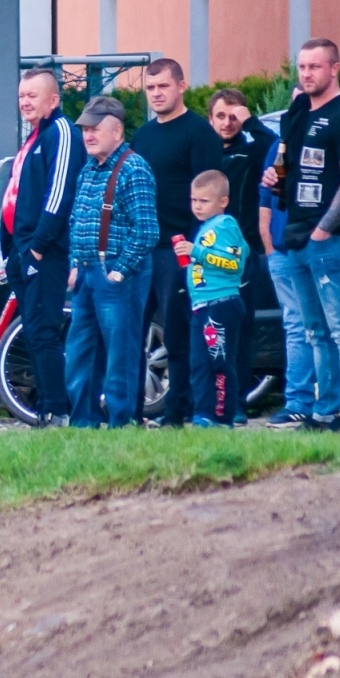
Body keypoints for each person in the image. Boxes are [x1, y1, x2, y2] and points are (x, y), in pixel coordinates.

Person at [261, 39, 340, 433]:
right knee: (314, 331)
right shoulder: (297, 113)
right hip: (294, 236)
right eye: (302, 67)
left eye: (315, 66)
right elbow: (285, 162)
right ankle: (323, 412)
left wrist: (323, 230)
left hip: (332, 239)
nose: (306, 74)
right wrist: (274, 176)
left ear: (334, 68)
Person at [131, 58, 223, 427]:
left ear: (181, 86)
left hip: (179, 249)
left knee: (177, 334)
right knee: (134, 333)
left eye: (163, 86)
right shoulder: (142, 136)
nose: (156, 94)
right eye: (150, 88)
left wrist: (198, 247)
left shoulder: (199, 134)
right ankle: (131, 412)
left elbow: (212, 198)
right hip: (141, 250)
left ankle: (178, 411)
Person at [63, 96, 158, 428]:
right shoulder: (88, 169)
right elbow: (76, 220)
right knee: (80, 353)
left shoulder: (134, 168)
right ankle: (83, 422)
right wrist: (75, 263)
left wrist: (119, 272)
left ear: (117, 131)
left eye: (95, 129)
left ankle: (123, 423)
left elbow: (146, 231)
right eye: (85, 129)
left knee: (122, 354)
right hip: (87, 272)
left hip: (118, 273)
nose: (87, 135)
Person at [0, 68, 83, 427]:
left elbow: (60, 192)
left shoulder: (60, 131)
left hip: (44, 252)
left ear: (53, 99)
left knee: (44, 330)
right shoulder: (34, 136)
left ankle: (58, 411)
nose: (25, 102)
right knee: (33, 330)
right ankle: (46, 408)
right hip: (21, 250)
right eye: (21, 96)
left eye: (32, 95)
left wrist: (37, 246)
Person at [209, 88, 274, 421]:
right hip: (204, 253)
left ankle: (235, 405)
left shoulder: (251, 152)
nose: (227, 122)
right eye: (220, 115)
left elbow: (273, 148)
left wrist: (251, 122)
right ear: (210, 119)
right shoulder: (203, 153)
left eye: (233, 116)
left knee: (238, 330)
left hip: (242, 254)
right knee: (206, 331)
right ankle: (205, 404)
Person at [257, 135, 325, 422]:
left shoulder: (324, 138)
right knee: (295, 326)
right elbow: (265, 194)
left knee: (326, 327)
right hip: (282, 252)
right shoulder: (281, 144)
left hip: (317, 249)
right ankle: (298, 402)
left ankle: (331, 404)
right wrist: (269, 244)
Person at [174, 171, 247, 428]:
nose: (197, 206)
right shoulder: (205, 227)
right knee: (199, 363)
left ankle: (223, 416)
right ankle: (203, 414)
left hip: (221, 303)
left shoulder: (226, 225)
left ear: (223, 201)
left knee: (220, 362)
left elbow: (234, 263)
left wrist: (198, 252)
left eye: (204, 201)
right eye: (194, 200)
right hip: (201, 305)